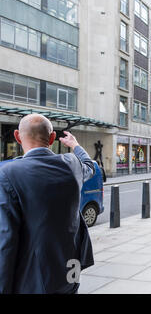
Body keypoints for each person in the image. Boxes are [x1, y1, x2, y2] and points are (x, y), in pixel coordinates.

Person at [0, 114, 95, 294]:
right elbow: (90, 166)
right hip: (71, 267)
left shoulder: (7, 174)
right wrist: (75, 145)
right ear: (52, 138)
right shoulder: (72, 164)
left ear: (17, 137)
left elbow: (5, 240)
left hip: (35, 278)